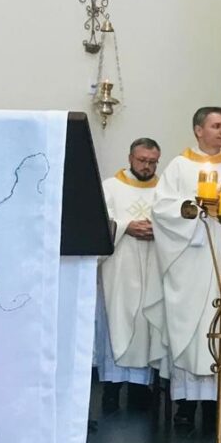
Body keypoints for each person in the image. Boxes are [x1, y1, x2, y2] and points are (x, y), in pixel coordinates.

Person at [145, 107, 221, 427]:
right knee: (188, 330)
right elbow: (162, 209)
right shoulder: (178, 167)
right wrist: (191, 208)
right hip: (188, 262)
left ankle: (218, 406)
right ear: (198, 130)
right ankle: (186, 404)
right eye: (215, 126)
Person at [96, 138, 164, 413]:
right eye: (142, 161)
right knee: (116, 321)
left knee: (146, 322)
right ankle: (111, 389)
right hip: (119, 270)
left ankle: (139, 388)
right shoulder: (110, 187)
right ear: (130, 157)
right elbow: (101, 222)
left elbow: (176, 223)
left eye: (152, 162)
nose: (146, 167)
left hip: (153, 266)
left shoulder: (164, 190)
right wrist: (127, 226)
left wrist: (157, 229)